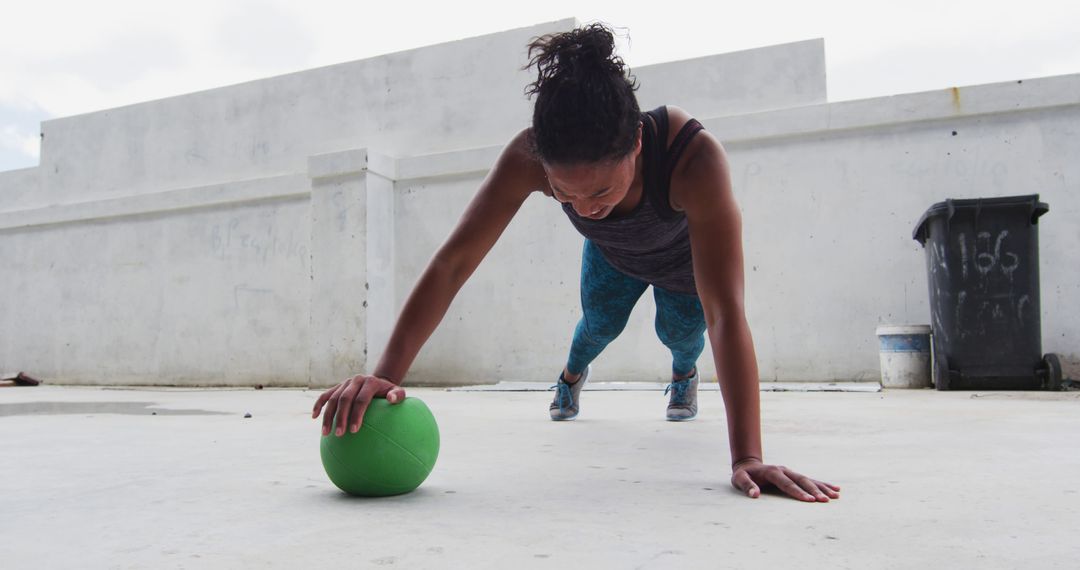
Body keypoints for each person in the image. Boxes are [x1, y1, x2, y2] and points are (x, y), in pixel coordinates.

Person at [312, 23, 840, 502]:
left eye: (604, 191)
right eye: (566, 195)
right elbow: (454, 263)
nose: (587, 207)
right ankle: (570, 376)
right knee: (598, 326)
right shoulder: (528, 158)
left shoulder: (693, 158)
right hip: (612, 256)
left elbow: (725, 311)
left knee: (682, 335)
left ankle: (683, 374)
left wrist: (747, 456)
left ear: (636, 141)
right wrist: (384, 375)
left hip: (684, 268)